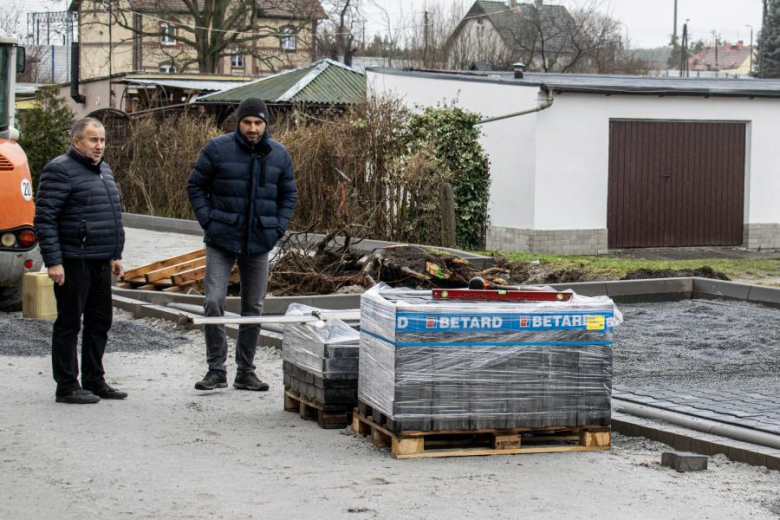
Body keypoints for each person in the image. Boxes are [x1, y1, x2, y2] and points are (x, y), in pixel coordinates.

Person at [188, 98, 297, 392]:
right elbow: (195, 185)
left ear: (266, 124)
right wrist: (208, 221)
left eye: (258, 122)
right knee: (214, 301)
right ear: (238, 122)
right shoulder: (217, 148)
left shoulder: (279, 154)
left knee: (254, 306)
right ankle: (216, 370)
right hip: (221, 237)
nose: (252, 128)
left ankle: (245, 371)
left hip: (259, 240)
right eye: (247, 122)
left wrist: (276, 228)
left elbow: (288, 196)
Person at [35, 117, 127, 404]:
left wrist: (115, 254)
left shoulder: (104, 171)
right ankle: (66, 386)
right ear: (77, 141)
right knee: (69, 324)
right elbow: (45, 218)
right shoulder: (59, 169)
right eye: (92, 139)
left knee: (100, 323)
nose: (99, 145)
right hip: (74, 260)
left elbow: (111, 215)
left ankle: (94, 380)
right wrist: (54, 261)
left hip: (100, 260)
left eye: (101, 140)